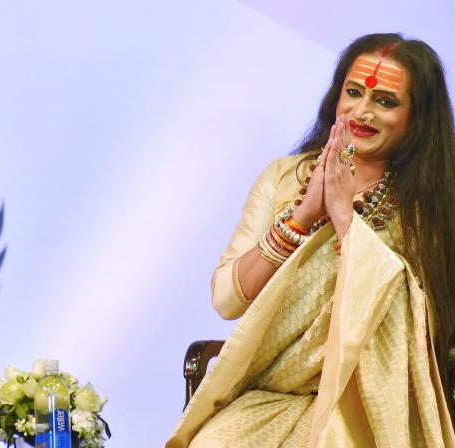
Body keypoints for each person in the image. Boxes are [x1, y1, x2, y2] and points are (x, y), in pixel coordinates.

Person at [166, 33, 455, 447]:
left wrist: (344, 221)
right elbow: (227, 301)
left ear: (418, 117)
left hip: (372, 402)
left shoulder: (433, 204)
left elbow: (424, 322)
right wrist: (301, 219)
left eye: (386, 101)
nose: (363, 111)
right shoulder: (285, 178)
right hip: (272, 396)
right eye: (353, 93)